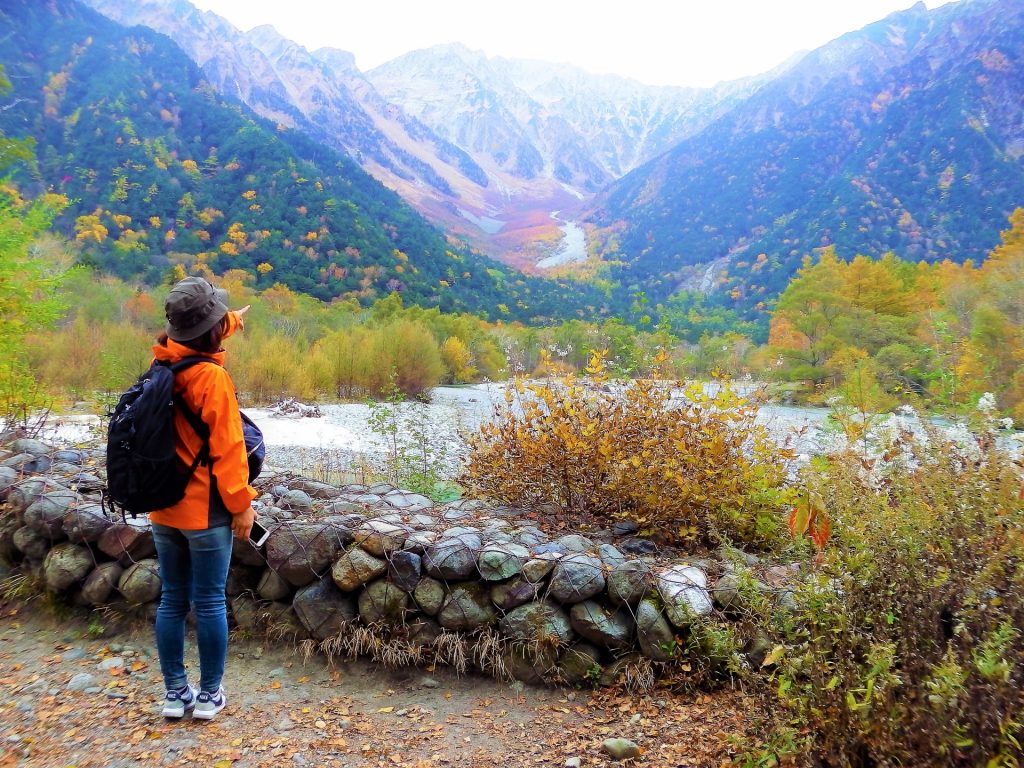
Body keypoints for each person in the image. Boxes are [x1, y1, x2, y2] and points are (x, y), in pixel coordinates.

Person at [149, 276, 257, 720]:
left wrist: (232, 320)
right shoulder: (212, 378)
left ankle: (177, 694)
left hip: (163, 507)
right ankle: (210, 694)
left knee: (172, 599)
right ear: (212, 330)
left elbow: (202, 335)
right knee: (210, 600)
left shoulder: (162, 365)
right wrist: (242, 505)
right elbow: (229, 451)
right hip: (207, 511)